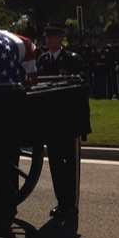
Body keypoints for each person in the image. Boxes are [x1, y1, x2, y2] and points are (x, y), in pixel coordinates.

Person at [35, 23, 85, 217]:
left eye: (52, 36)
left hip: (67, 120)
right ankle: (61, 201)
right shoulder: (42, 60)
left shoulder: (72, 60)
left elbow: (80, 87)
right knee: (55, 163)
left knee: (69, 163)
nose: (48, 40)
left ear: (61, 38)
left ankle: (71, 203)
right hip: (50, 120)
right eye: (46, 36)